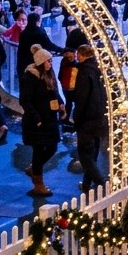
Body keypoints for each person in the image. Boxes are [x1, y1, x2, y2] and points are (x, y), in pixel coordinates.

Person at [20, 47, 63, 197]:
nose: (50, 63)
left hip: (50, 118)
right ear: (41, 62)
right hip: (36, 122)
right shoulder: (30, 78)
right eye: (48, 61)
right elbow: (25, 100)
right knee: (38, 150)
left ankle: (34, 169)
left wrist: (61, 103)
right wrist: (36, 118)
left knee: (52, 147)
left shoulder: (49, 74)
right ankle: (38, 183)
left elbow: (54, 92)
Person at [71, 44, 108, 195]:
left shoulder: (83, 72)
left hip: (87, 120)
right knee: (92, 154)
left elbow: (82, 99)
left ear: (80, 55)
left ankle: (102, 185)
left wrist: (77, 119)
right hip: (100, 118)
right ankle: (86, 184)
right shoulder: (99, 70)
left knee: (85, 156)